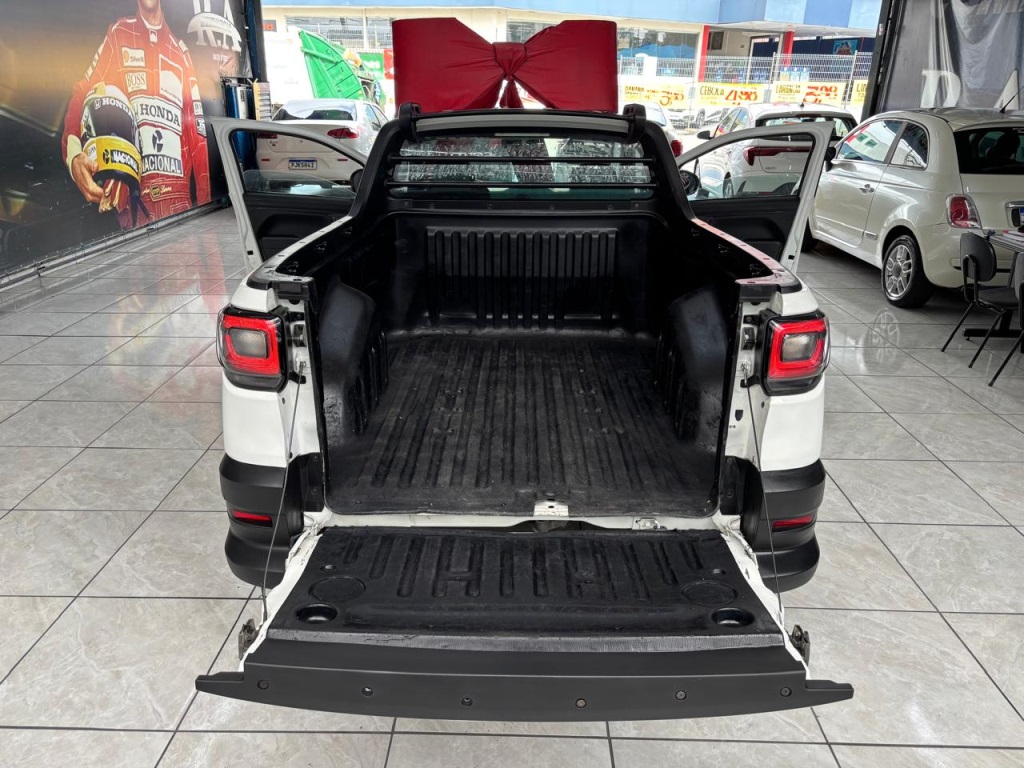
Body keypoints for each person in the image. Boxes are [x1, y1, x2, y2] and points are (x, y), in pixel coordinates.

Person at [62, 0, 210, 229]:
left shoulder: (181, 53)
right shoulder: (119, 34)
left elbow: (197, 135)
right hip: (133, 202)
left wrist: (206, 210)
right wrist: (74, 155)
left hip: (178, 204)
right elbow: (83, 94)